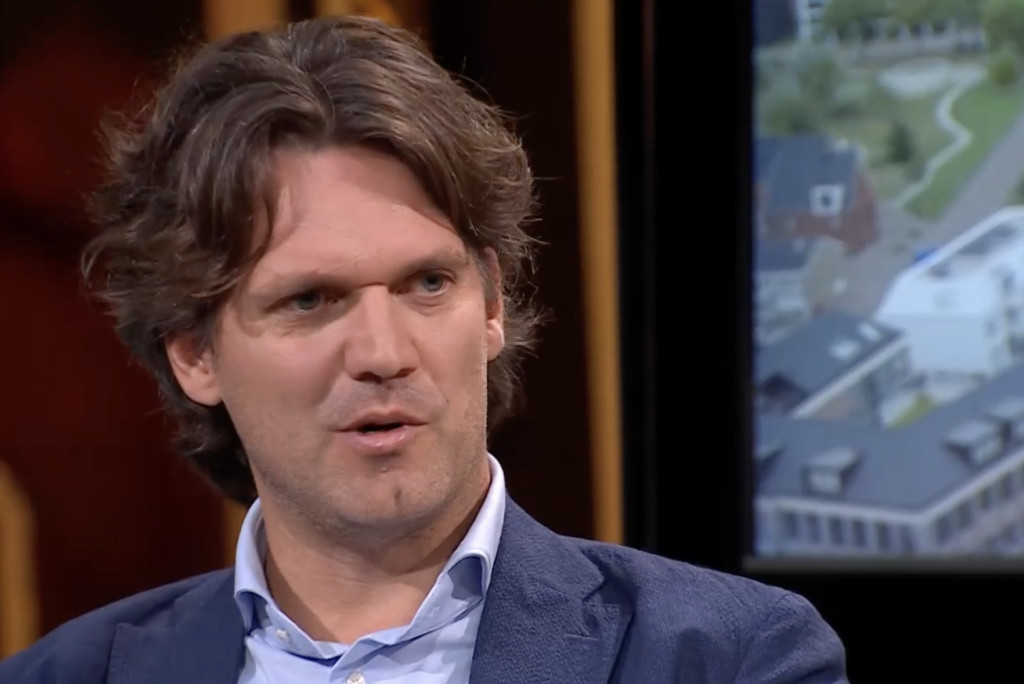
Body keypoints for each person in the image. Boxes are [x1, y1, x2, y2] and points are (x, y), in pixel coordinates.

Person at [0, 15, 848, 684]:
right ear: (195, 355)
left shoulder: (729, 658)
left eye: (428, 284)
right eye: (310, 300)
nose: (383, 352)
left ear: (493, 304)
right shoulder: (66, 676)